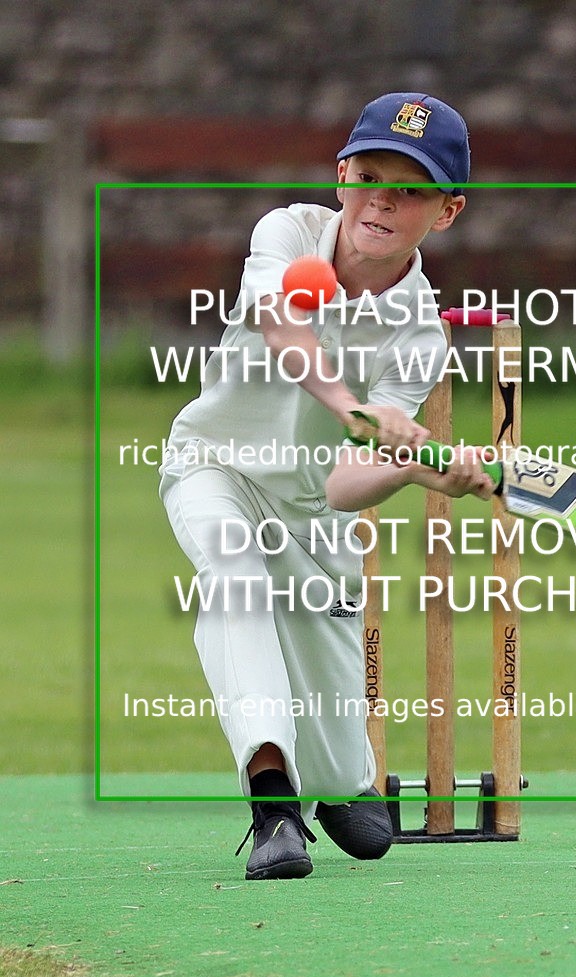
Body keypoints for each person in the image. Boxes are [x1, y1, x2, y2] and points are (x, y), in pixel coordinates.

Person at [159, 93, 494, 879]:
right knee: (233, 580)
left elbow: (344, 486)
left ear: (445, 212)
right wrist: (352, 407)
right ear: (342, 175)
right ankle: (272, 803)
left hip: (310, 513)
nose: (383, 199)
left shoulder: (417, 334)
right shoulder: (287, 232)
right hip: (216, 465)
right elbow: (282, 325)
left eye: (410, 190)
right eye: (370, 175)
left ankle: (336, 780)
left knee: (360, 803)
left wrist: (414, 462)